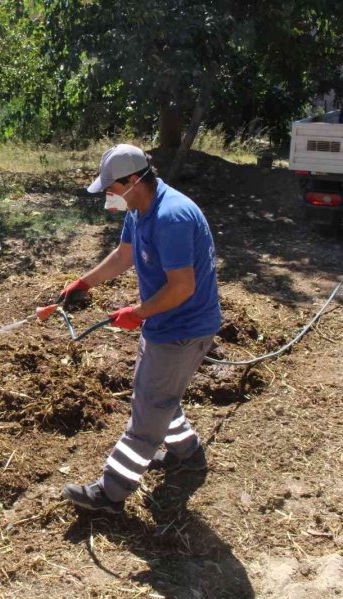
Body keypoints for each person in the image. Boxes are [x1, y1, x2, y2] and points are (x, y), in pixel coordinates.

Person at [60, 143, 222, 514]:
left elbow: (182, 287)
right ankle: (188, 453)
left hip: (183, 329)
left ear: (133, 180)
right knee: (156, 396)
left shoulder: (172, 217)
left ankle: (110, 493)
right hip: (164, 323)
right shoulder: (140, 208)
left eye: (112, 188)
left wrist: (137, 312)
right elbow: (124, 255)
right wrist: (84, 283)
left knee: (149, 411)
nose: (108, 196)